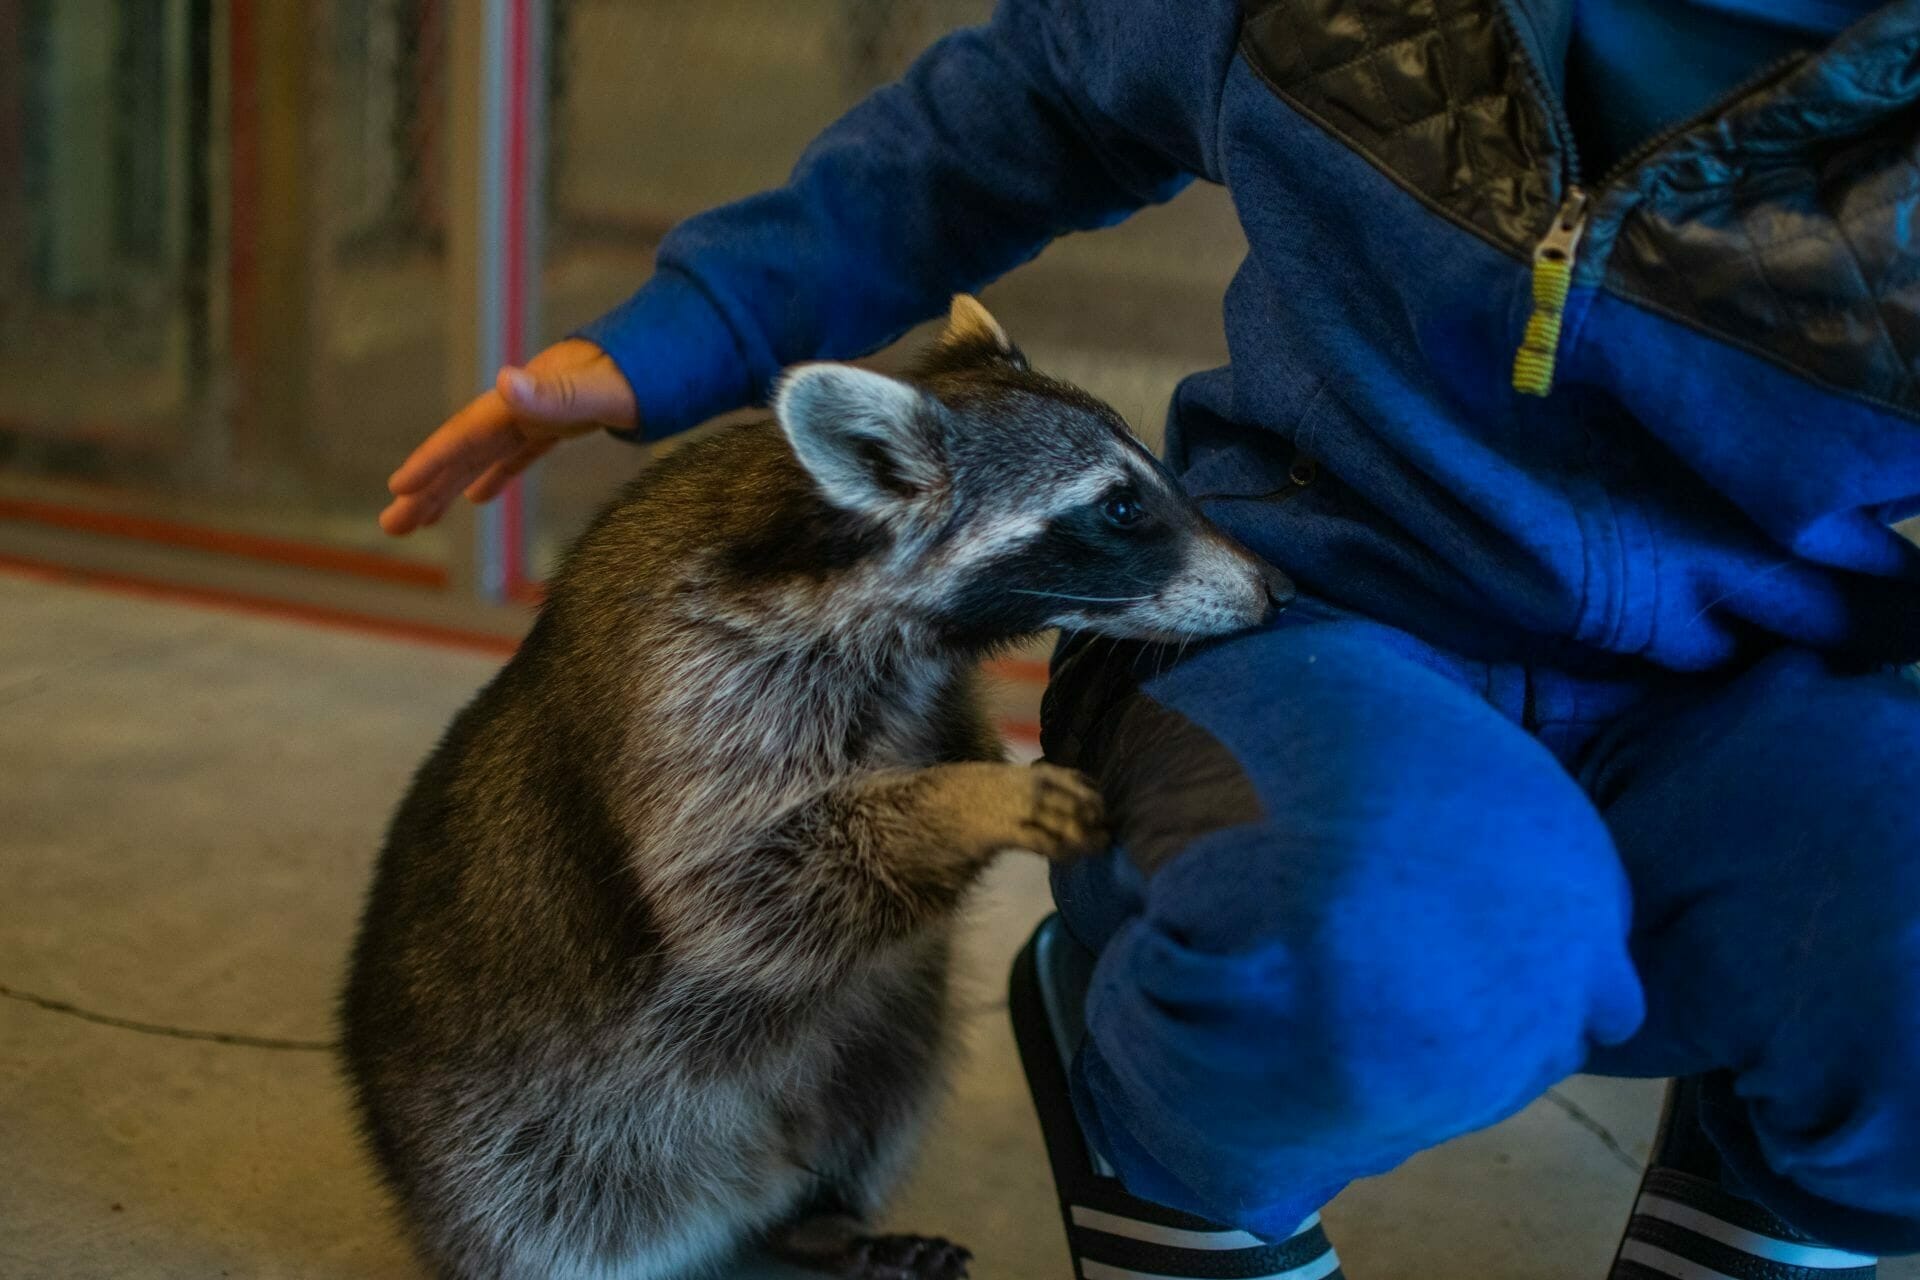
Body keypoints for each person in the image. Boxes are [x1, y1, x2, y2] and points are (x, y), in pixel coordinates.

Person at [380, 0, 1920, 1276]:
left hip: (1770, 681)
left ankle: (1789, 1168)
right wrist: (687, 329)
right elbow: (1027, 101)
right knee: (1417, 944)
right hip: (1324, 609)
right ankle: (1168, 1122)